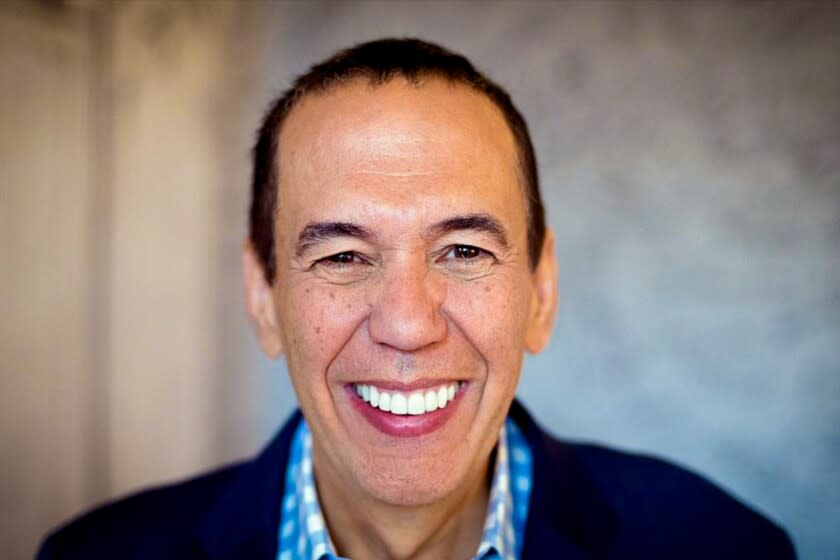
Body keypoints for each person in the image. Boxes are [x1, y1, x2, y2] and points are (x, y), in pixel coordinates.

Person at [37, 38, 795, 560]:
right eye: (342, 255)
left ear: (541, 290)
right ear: (264, 297)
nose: (406, 324)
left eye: (463, 251)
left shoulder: (721, 544)